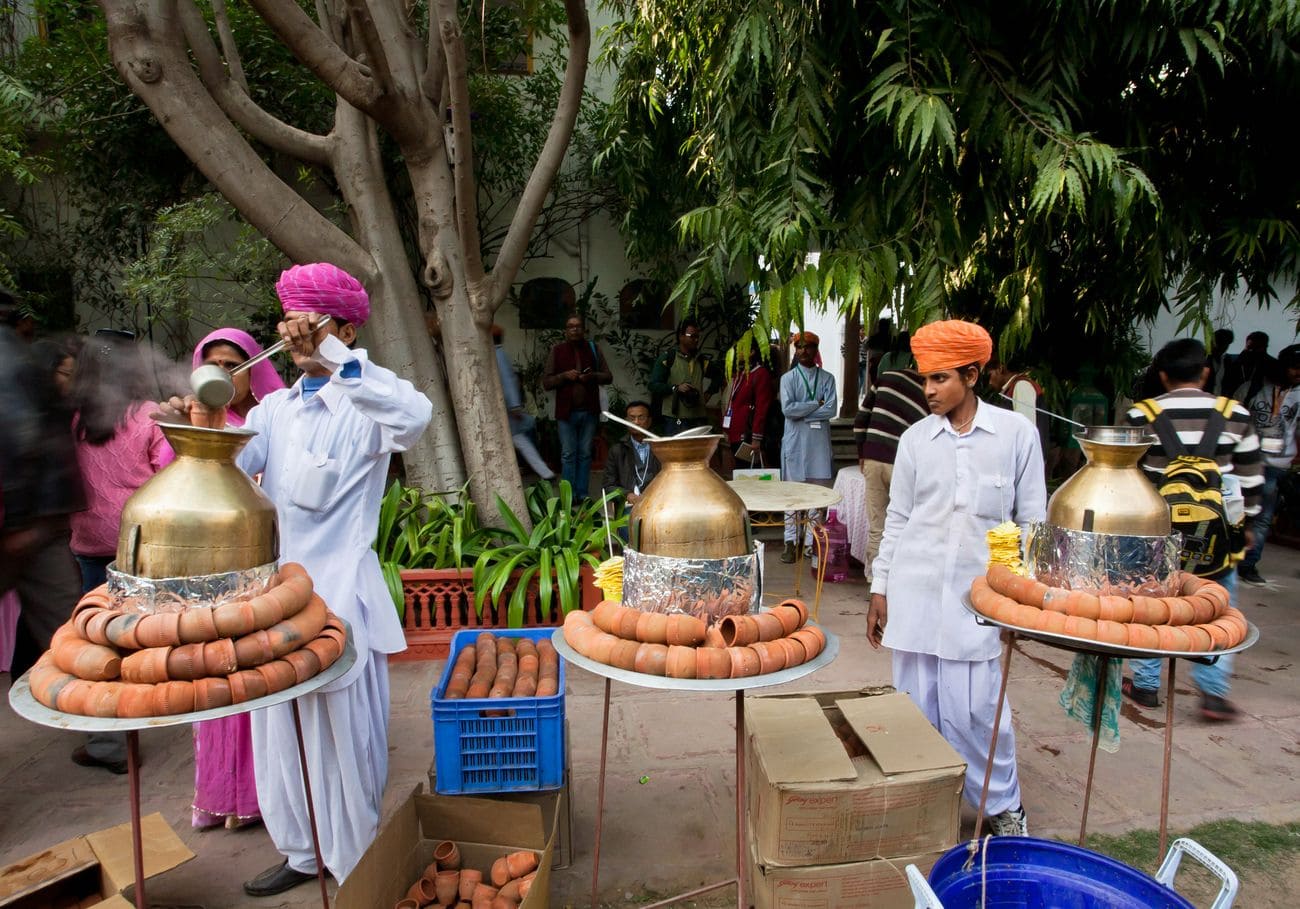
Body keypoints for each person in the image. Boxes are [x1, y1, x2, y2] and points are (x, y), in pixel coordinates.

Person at [167, 264, 433, 892]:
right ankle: (301, 853)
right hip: (274, 607)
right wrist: (197, 424)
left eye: (307, 324)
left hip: (339, 602)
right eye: (288, 324)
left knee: (342, 743)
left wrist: (338, 358)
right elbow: (232, 464)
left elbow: (414, 418)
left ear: (342, 327)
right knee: (278, 733)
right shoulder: (278, 409)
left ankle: (359, 865)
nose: (293, 337)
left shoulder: (367, 399)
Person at [866, 319, 1044, 837]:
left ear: (971, 374)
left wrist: (1021, 601)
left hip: (980, 601)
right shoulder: (915, 440)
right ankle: (924, 809)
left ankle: (1003, 807)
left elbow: (1031, 522)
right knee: (915, 710)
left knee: (978, 712)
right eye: (924, 380)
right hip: (914, 593)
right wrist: (880, 589)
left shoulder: (1016, 435)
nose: (927, 391)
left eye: (939, 379)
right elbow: (897, 519)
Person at [1124, 337, 1263, 721]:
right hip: (1219, 538)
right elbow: (1251, 479)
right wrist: (1248, 526)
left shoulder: (1141, 415)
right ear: (1205, 373)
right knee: (1216, 607)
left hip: (1158, 534)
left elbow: (1129, 477)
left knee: (1152, 602)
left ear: (1163, 375)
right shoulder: (1235, 414)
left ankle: (1146, 684)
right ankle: (1213, 693)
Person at [188, 328, 286, 830]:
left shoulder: (277, 417)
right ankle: (220, 794)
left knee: (257, 674)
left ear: (255, 367)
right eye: (215, 365)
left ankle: (256, 797)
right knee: (216, 677)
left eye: (234, 363)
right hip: (212, 572)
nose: (224, 374)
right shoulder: (194, 422)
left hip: (266, 569)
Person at [69, 331, 175, 774]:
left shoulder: (74, 419)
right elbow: (170, 476)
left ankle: (108, 740)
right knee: (141, 635)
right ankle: (157, 710)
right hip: (137, 544)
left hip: (88, 544)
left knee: (98, 637)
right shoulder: (151, 416)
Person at [1, 294, 84, 689]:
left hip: (18, 521)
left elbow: (22, 437)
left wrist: (17, 522)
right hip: (43, 520)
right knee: (67, 633)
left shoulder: (12, 361)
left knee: (63, 628)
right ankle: (107, 737)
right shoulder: (28, 359)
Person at [1231, 345, 1300, 586]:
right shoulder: (1252, 388)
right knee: (1236, 512)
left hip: (1279, 463)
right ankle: (1228, 559)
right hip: (1245, 461)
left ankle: (1248, 565)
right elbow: (1230, 419)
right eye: (1294, 366)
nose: (1298, 372)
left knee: (1262, 517)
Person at [857, 364, 928, 582]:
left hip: (873, 458)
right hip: (902, 464)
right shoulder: (928, 391)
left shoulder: (886, 376)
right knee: (903, 523)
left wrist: (862, 452)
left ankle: (873, 579)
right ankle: (897, 579)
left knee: (877, 524)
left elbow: (861, 418)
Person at [778, 332, 837, 563]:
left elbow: (832, 410)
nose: (803, 351)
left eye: (808, 347)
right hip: (795, 442)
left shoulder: (828, 379)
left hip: (818, 444)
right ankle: (790, 541)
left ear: (816, 349)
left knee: (815, 495)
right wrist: (816, 404)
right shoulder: (788, 379)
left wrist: (804, 411)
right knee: (792, 495)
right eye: (799, 347)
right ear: (795, 349)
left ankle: (811, 543)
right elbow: (788, 410)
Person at [541, 315, 611, 498]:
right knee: (568, 454)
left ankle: (582, 493)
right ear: (566, 330)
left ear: (584, 330)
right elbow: (546, 382)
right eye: (570, 326)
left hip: (589, 412)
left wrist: (592, 376)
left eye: (578, 326)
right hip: (566, 413)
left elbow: (608, 376)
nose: (574, 330)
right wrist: (564, 376)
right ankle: (568, 495)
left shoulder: (594, 349)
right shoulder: (557, 350)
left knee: (585, 454)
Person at [494, 325, 554, 480]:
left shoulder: (497, 354)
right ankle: (545, 472)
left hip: (506, 409)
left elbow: (508, 381)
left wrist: (514, 406)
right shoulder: (498, 353)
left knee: (518, 439)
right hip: (508, 409)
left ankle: (544, 472)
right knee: (519, 440)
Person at [648, 318, 723, 436]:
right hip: (675, 418)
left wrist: (708, 393)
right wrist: (675, 388)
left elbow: (719, 375)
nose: (696, 339)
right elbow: (653, 385)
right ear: (681, 336)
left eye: (697, 336)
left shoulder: (701, 360)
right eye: (692, 336)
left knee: (699, 453)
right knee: (677, 453)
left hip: (698, 417)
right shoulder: (668, 358)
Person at [601, 401, 661, 512]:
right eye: (632, 418)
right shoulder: (617, 450)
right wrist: (627, 494)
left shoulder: (662, 447)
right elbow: (608, 485)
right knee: (628, 527)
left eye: (641, 418)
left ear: (649, 421)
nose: (636, 422)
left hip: (658, 504)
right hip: (629, 505)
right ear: (626, 421)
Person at [722, 346, 777, 468]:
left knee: (750, 475)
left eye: (741, 349)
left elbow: (761, 409)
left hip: (748, 437)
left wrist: (756, 438)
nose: (737, 352)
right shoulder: (741, 373)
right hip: (735, 435)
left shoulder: (760, 374)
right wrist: (727, 429)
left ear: (752, 352)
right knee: (740, 475)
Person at [987, 356, 1049, 458]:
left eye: (990, 375)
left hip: (1027, 457)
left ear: (1000, 369)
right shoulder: (1013, 388)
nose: (990, 382)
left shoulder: (1022, 386)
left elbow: (1026, 428)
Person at [1219, 331, 1274, 402]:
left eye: (1255, 348)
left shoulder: (1271, 366)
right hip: (1233, 400)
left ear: (1264, 347)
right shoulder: (1234, 361)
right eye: (1249, 347)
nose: (1251, 351)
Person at [1207, 328, 1235, 395]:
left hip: (1221, 399)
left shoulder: (1227, 360)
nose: (1225, 348)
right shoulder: (1203, 358)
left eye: (1226, 345)